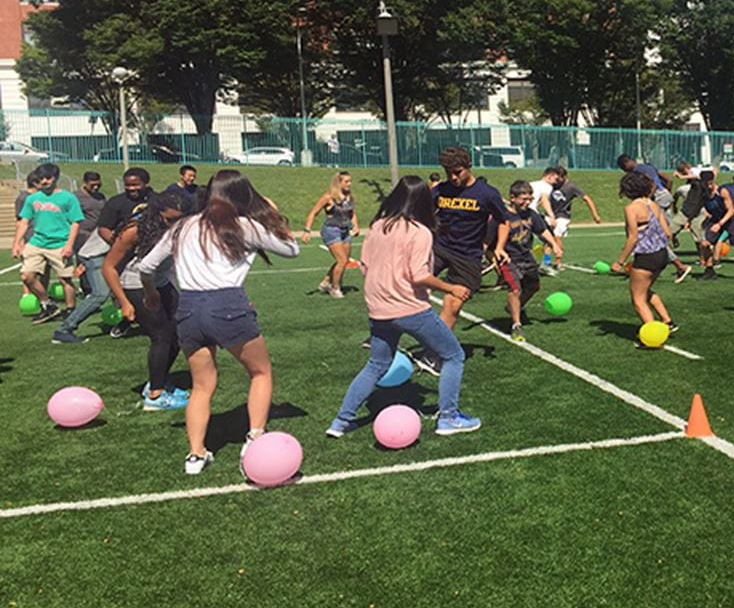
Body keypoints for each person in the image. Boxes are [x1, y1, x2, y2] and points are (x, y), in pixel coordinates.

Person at [137, 169, 299, 475]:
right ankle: (254, 439)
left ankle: (195, 456)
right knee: (261, 373)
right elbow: (292, 249)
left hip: (188, 308)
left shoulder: (183, 226)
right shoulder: (246, 226)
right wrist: (272, 215)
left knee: (201, 386)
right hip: (228, 305)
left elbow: (146, 266)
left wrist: (151, 295)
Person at [326, 176, 481, 439]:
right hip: (410, 309)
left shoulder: (377, 227)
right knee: (453, 355)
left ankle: (340, 422)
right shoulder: (419, 231)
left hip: (378, 310)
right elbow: (419, 275)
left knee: (376, 364)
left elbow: (364, 267)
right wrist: (451, 288)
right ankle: (449, 417)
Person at [100, 191, 188, 409]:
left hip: (161, 283)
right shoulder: (134, 230)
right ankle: (155, 397)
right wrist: (124, 302)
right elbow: (108, 267)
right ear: (157, 213)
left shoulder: (181, 228)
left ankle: (157, 383)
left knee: (178, 334)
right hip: (135, 286)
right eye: (170, 219)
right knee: (161, 336)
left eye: (180, 219)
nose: (174, 224)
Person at [432, 146, 509, 338]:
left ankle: (434, 352)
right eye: (448, 173)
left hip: (468, 256)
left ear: (469, 166)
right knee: (406, 288)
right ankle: (386, 338)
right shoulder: (440, 190)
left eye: (457, 172)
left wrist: (499, 248)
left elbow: (504, 221)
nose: (453, 178)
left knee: (453, 304)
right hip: (439, 249)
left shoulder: (487, 193)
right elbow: (422, 213)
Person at [11, 163, 81, 323]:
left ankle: (71, 310)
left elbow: (76, 222)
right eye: (41, 178)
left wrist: (69, 245)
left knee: (65, 279)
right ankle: (47, 304)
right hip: (37, 242)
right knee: (27, 276)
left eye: (48, 178)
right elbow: (24, 221)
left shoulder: (68, 198)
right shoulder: (33, 198)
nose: (44, 181)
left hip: (60, 243)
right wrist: (17, 243)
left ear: (56, 178)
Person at [613, 170, 678, 341]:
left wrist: (620, 262)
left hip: (646, 256)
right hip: (662, 254)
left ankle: (654, 335)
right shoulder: (653, 205)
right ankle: (667, 321)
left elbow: (633, 238)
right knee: (646, 290)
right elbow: (667, 232)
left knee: (637, 299)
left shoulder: (631, 208)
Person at [50, 172, 113, 343]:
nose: (96, 186)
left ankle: (125, 320)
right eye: (92, 183)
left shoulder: (101, 197)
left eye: (98, 183)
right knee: (99, 292)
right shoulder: (75, 198)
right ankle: (65, 328)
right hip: (87, 242)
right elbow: (68, 219)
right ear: (84, 183)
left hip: (102, 242)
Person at [94, 167, 154, 338]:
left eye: (136, 185)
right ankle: (127, 318)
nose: (131, 188)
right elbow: (103, 228)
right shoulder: (116, 202)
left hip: (151, 251)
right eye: (128, 185)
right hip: (124, 253)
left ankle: (150, 317)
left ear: (145, 183)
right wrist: (118, 245)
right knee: (123, 287)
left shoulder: (157, 200)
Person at [499, 180, 562, 342]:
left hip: (526, 257)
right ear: (512, 198)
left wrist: (554, 245)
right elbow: (488, 241)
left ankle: (514, 307)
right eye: (523, 199)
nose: (527, 203)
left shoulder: (531, 214)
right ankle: (516, 324)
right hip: (509, 258)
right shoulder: (502, 215)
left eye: (530, 199)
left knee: (534, 286)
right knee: (514, 289)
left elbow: (542, 231)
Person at [619, 154, 693, 280]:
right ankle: (671, 257)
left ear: (627, 163)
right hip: (664, 195)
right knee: (661, 232)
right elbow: (668, 179)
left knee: (656, 235)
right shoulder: (647, 166)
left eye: (624, 168)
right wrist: (667, 193)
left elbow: (651, 183)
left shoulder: (638, 171)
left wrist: (648, 199)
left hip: (657, 197)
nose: (626, 171)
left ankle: (680, 265)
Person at [302, 171, 359, 299]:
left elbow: (352, 214)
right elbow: (313, 213)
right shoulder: (328, 197)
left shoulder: (350, 197)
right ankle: (335, 288)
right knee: (342, 260)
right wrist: (307, 230)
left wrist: (356, 225)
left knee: (344, 260)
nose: (349, 184)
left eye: (350, 181)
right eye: (346, 181)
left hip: (345, 230)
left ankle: (326, 282)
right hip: (331, 230)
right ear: (338, 183)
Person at [545, 168, 602, 272]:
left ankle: (558, 262)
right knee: (548, 238)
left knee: (557, 237)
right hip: (551, 215)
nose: (556, 181)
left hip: (563, 217)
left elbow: (587, 199)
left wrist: (595, 215)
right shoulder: (552, 185)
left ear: (565, 177)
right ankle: (546, 262)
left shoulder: (571, 187)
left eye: (559, 178)